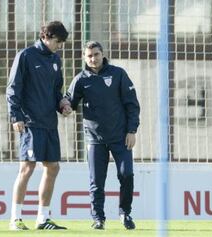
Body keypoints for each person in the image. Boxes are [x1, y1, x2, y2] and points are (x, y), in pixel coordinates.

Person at [65, 41, 140, 230]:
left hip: (120, 137)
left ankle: (125, 213)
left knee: (126, 174)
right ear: (84, 57)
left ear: (102, 54)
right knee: (96, 181)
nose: (93, 59)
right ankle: (98, 218)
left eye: (96, 54)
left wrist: (132, 131)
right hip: (94, 138)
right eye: (89, 56)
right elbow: (69, 101)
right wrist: (64, 106)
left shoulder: (118, 74)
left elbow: (132, 104)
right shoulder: (81, 79)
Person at [6, 21, 72, 231]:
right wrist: (16, 116)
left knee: (53, 167)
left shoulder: (55, 59)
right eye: (58, 42)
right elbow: (13, 88)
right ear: (47, 36)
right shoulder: (25, 55)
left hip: (49, 123)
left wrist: (62, 105)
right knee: (27, 168)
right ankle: (15, 219)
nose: (59, 46)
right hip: (30, 122)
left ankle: (42, 219)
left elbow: (55, 91)